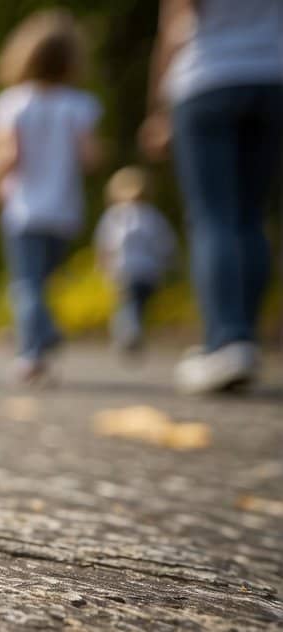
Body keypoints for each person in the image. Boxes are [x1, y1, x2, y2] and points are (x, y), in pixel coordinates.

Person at [141, 0, 283, 394]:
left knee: (214, 217)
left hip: (207, 77)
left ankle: (225, 340)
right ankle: (246, 339)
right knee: (251, 216)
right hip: (271, 76)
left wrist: (157, 108)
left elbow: (176, 23)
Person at [0, 9, 102, 384]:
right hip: (64, 210)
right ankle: (42, 331)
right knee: (44, 281)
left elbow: (6, 155)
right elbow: (90, 157)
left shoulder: (12, 104)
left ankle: (32, 352)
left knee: (28, 284)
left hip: (24, 209)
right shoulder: (78, 105)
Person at [94, 167, 177, 355]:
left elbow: (107, 242)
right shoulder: (153, 216)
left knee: (127, 304)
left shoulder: (115, 216)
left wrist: (102, 265)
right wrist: (168, 264)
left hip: (124, 268)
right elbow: (164, 243)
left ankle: (128, 332)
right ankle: (130, 331)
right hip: (149, 271)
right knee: (137, 304)